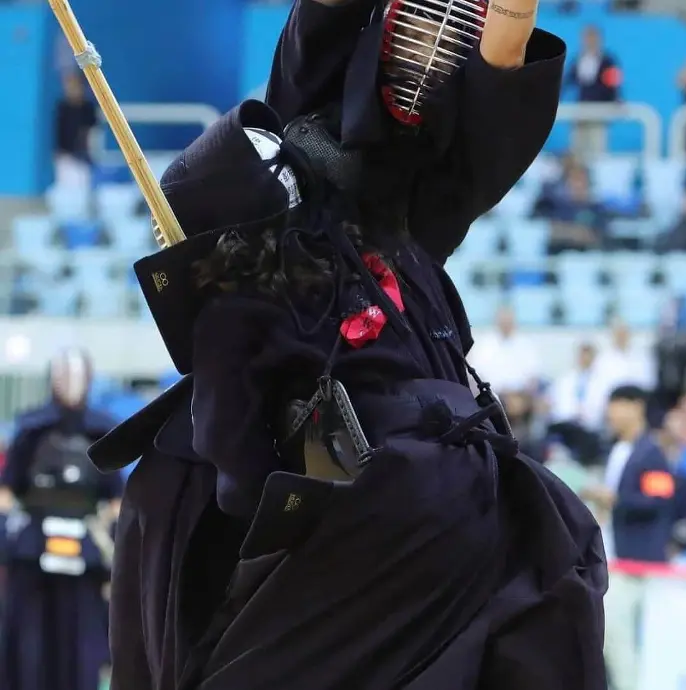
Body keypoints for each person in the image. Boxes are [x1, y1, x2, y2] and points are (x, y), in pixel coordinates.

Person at [90, 1, 607, 688]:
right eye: (421, 29)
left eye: (446, 35)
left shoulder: (416, 209)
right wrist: (277, 518)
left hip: (448, 489)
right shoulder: (277, 219)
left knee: (552, 560)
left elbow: (497, 79)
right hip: (370, 504)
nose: (431, 54)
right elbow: (236, 448)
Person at [0, 349, 121, 690]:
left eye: (77, 376)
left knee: (81, 635)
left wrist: (110, 539)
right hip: (34, 546)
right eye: (63, 376)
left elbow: (117, 498)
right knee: (29, 637)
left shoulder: (103, 430)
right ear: (52, 379)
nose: (70, 384)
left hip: (85, 546)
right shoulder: (31, 428)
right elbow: (7, 491)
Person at [581, 385, 674, 690]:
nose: (612, 412)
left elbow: (660, 498)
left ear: (637, 407)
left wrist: (615, 498)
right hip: (615, 558)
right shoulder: (617, 451)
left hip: (638, 564)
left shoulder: (651, 452)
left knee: (621, 638)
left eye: (619, 403)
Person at [563, 25, 622, 160]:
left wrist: (616, 98)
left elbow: (613, 81)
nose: (590, 41)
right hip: (581, 107)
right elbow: (567, 82)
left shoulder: (608, 61)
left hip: (599, 108)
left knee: (597, 144)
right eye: (587, 38)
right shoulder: (577, 59)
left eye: (593, 37)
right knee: (577, 145)